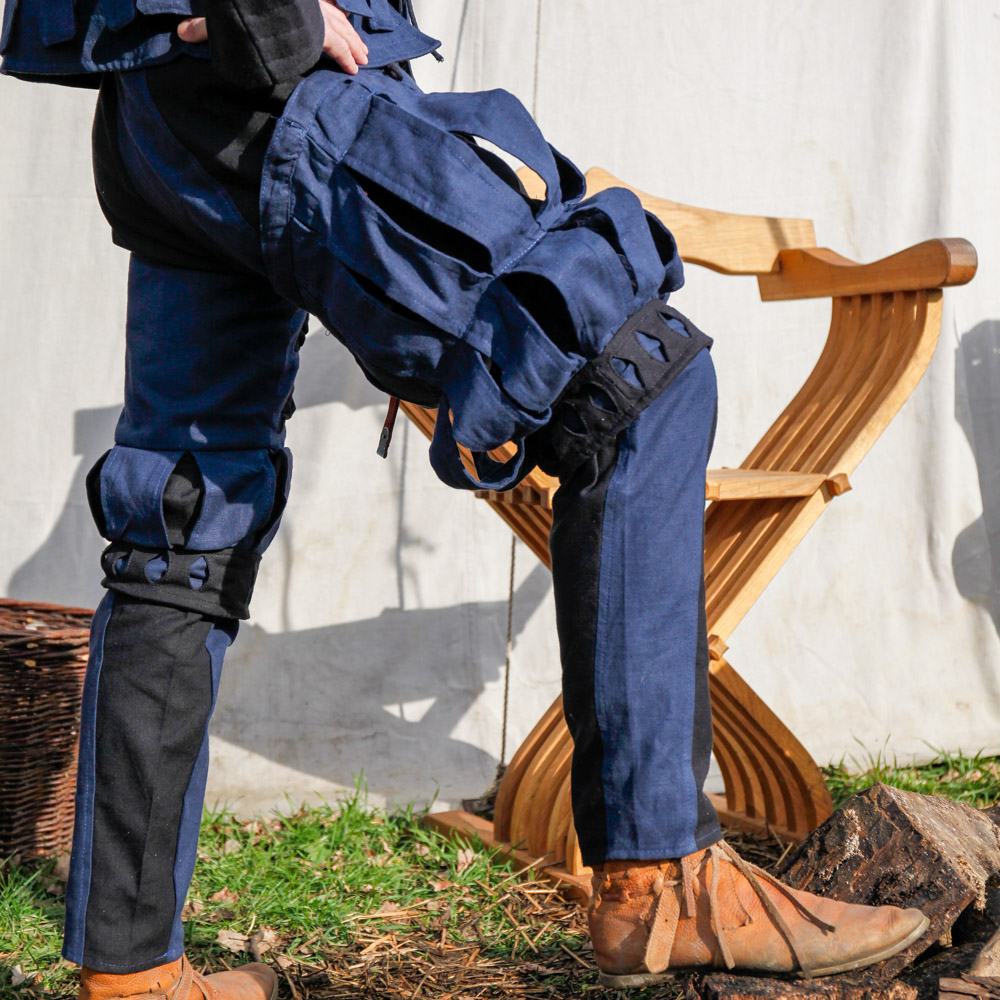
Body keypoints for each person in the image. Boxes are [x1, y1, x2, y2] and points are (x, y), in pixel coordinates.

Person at [0, 1, 930, 996]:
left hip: (163, 112)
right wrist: (267, 18)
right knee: (635, 376)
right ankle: (662, 879)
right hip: (275, 90)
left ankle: (133, 972)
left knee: (184, 517)